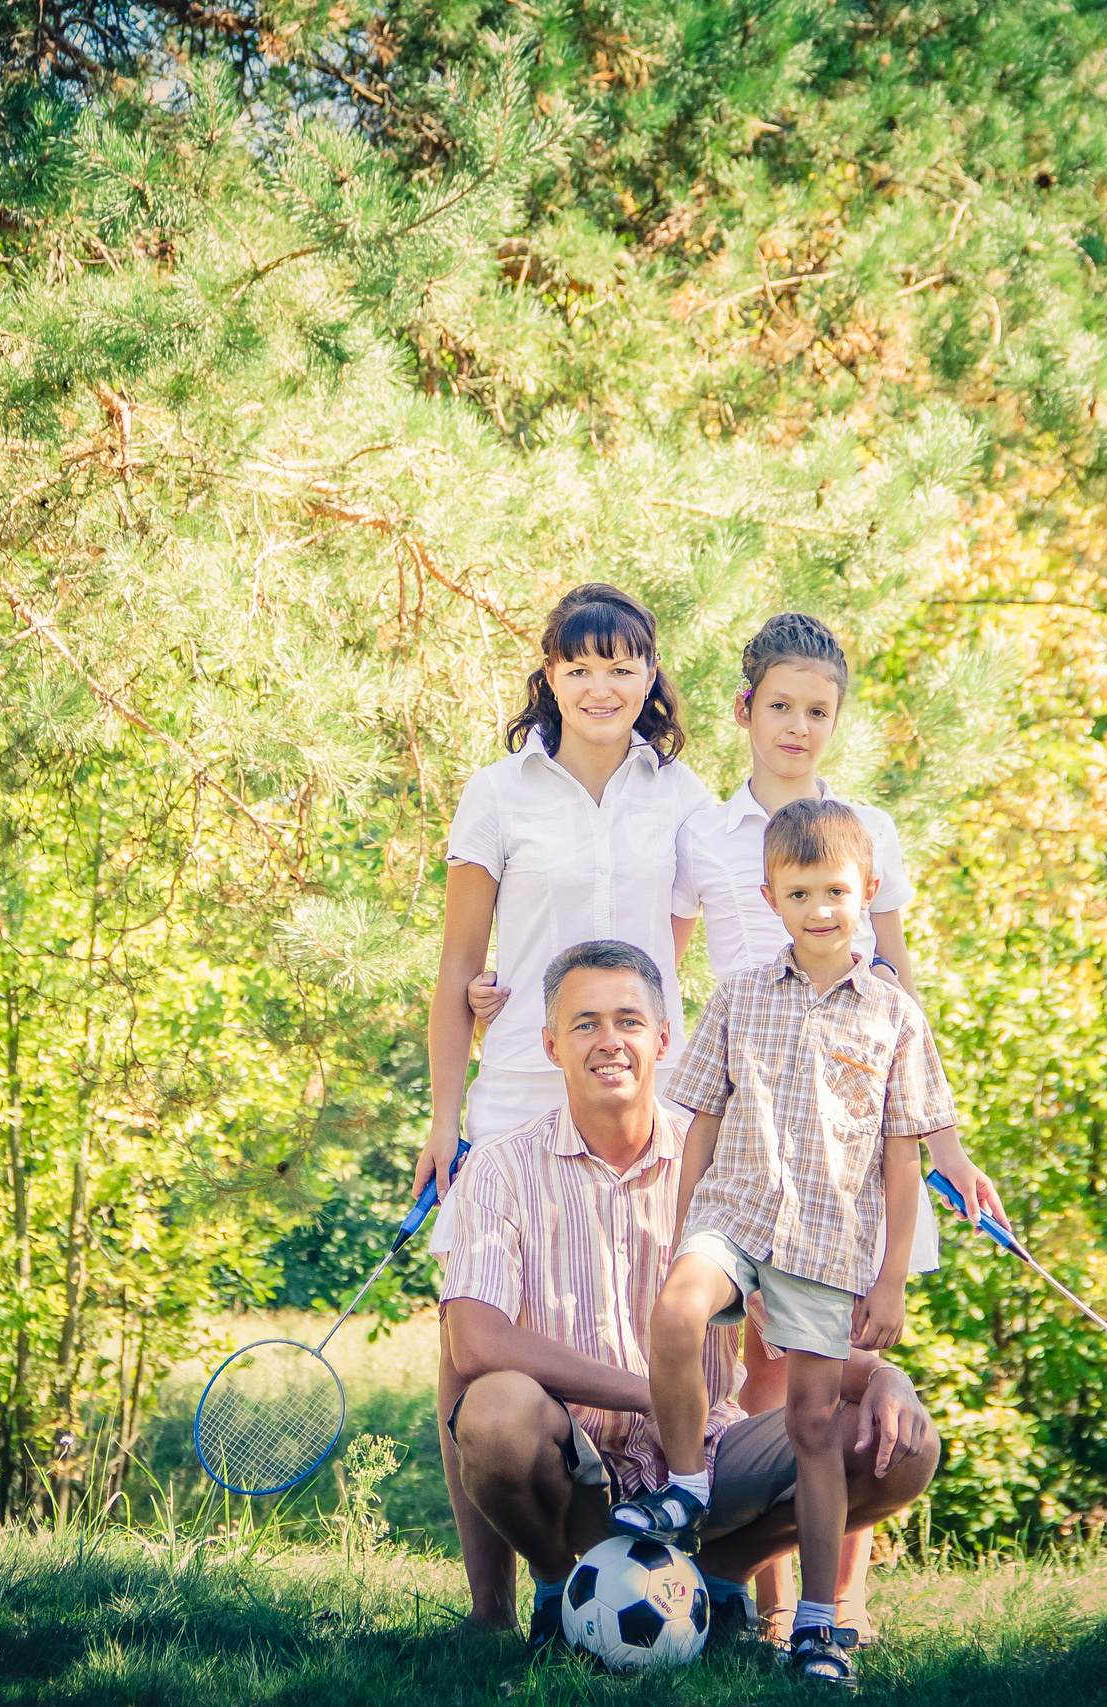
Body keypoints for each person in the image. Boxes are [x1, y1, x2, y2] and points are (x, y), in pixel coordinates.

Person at [436, 938, 940, 1656]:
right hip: (570, 1472)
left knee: (903, 1445)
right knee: (490, 1409)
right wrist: (650, 1393)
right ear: (551, 1045)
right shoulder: (500, 1169)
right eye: (584, 1024)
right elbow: (476, 1340)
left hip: (704, 1468)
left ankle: (720, 1570)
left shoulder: (727, 1168)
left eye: (629, 1021)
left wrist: (885, 1375)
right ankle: (559, 1586)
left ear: (664, 1039)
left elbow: (793, 1321)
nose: (609, 1041)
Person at [671, 610, 1008, 1645]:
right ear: (745, 708)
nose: (798, 726)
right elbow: (661, 953)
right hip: (751, 1129)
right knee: (758, 1376)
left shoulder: (869, 831)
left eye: (819, 710)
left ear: (836, 718)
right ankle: (744, 1591)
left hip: (850, 1139)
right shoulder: (703, 833)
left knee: (832, 1368)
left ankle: (829, 1613)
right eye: (781, 705)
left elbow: (896, 979)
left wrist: (944, 1143)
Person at [416, 584, 715, 1622]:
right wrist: (442, 1118)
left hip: (639, 1088)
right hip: (514, 1089)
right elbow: (458, 967)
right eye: (578, 667)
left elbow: (667, 962)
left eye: (621, 665)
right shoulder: (499, 791)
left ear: (650, 675)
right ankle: (497, 1609)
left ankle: (663, 1561)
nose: (601, 686)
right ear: (547, 675)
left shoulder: (683, 796)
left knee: (658, 1316)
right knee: (473, 1341)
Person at [624, 799, 957, 1688]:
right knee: (677, 1310)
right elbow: (699, 1116)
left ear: (868, 891)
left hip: (825, 1246)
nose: (819, 907)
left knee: (814, 1426)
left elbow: (902, 1158)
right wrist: (685, 1221)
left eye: (837, 890)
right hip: (732, 1215)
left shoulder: (895, 1016)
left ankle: (817, 1627)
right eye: (800, 891)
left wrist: (890, 1279)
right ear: (771, 897)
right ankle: (689, 1483)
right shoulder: (738, 995)